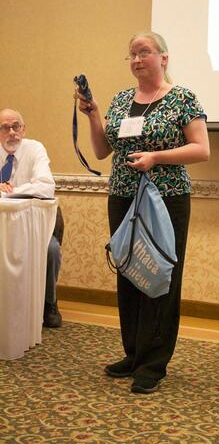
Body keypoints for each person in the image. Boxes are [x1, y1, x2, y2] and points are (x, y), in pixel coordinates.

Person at [77, 31, 210, 394]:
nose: (137, 59)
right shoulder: (121, 100)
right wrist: (92, 115)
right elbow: (104, 150)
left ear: (163, 58)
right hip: (123, 195)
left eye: (145, 52)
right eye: (132, 54)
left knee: (161, 276)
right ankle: (133, 354)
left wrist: (156, 158)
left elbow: (201, 150)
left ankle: (154, 363)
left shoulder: (182, 98)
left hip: (166, 198)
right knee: (129, 273)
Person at [0, 108, 62, 327]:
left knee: (51, 249)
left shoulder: (35, 148)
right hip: (3, 225)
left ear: (23, 129)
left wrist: (13, 190)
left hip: (36, 224)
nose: (11, 132)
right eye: (5, 128)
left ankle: (49, 303)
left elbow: (46, 186)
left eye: (16, 126)